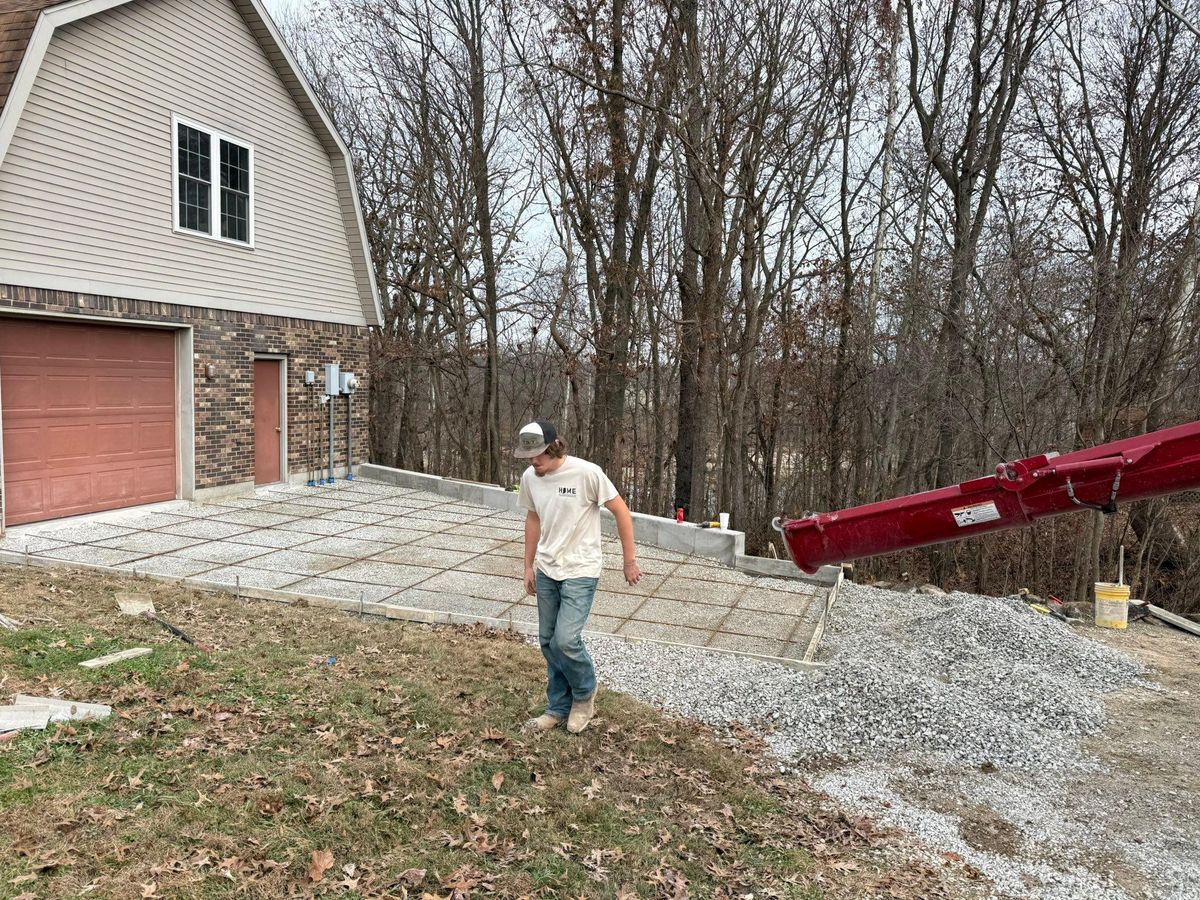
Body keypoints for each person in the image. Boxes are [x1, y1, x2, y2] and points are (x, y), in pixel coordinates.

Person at [513, 420, 642, 734]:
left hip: (581, 569)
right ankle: (558, 707)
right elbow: (533, 518)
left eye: (538, 454)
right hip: (548, 569)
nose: (533, 461)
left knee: (566, 640)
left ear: (554, 447)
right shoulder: (530, 478)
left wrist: (629, 560)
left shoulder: (587, 473)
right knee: (548, 641)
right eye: (528, 456)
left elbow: (621, 512)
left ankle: (584, 694)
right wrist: (528, 566)